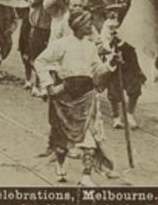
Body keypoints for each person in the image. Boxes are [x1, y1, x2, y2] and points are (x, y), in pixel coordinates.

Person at [34, 10, 120, 186]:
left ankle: (86, 176)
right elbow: (40, 61)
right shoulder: (62, 44)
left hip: (86, 96)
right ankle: (60, 164)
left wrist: (111, 63)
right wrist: (50, 86)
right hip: (65, 98)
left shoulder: (90, 46)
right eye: (87, 23)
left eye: (90, 22)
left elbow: (97, 69)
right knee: (62, 139)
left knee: (90, 137)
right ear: (78, 25)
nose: (91, 26)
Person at [100, 5, 146, 130]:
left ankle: (130, 114)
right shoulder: (107, 25)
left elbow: (136, 40)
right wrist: (112, 49)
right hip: (114, 59)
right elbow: (104, 42)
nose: (114, 13)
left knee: (134, 88)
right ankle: (116, 117)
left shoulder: (130, 23)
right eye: (112, 10)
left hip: (130, 60)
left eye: (117, 11)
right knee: (114, 91)